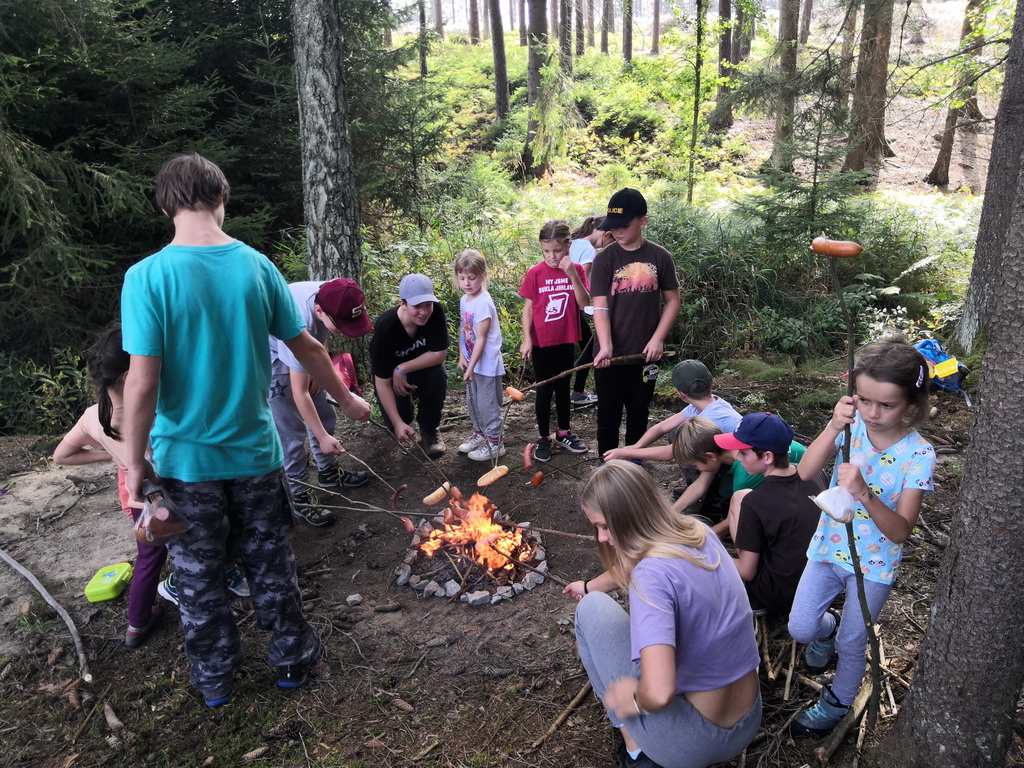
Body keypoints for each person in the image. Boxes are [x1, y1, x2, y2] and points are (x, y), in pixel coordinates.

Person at [120, 153, 371, 707]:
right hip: (256, 455)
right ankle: (291, 662)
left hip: (185, 463)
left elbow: (141, 382)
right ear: (221, 197)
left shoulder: (145, 278)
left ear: (165, 207)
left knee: (199, 577)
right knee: (270, 564)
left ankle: (215, 681)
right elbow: (308, 346)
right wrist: (347, 399)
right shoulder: (257, 267)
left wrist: (135, 463)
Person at [564, 461, 761, 768]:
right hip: (749, 719)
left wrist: (631, 699)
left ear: (627, 517)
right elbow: (639, 558)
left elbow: (658, 693)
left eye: (604, 526)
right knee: (595, 599)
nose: (601, 537)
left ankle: (635, 749)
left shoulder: (649, 578)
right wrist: (589, 586)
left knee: (590, 609)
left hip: (693, 744)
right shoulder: (699, 532)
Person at [788, 340, 935, 738]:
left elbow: (901, 531)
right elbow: (805, 472)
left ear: (911, 403)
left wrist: (864, 493)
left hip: (873, 565)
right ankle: (828, 626)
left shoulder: (918, 455)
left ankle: (837, 702)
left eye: (887, 405)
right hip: (828, 548)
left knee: (852, 644)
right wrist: (834, 425)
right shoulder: (851, 428)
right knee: (801, 627)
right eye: (864, 400)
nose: (872, 413)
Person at [268, 278, 373, 528]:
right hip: (270, 354)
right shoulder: (300, 318)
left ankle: (327, 470)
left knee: (323, 407)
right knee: (290, 429)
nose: (345, 331)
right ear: (319, 311)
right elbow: (299, 393)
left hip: (300, 347)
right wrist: (322, 437)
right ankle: (299, 493)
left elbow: (317, 338)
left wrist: (315, 369)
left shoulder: (336, 294)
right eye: (342, 325)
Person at [591, 189, 681, 457]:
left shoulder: (660, 257)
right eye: (612, 226)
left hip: (646, 355)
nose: (616, 231)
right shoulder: (604, 259)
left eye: (624, 225)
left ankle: (634, 461)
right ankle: (608, 464)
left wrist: (658, 339)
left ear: (643, 222)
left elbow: (673, 301)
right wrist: (606, 345)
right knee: (608, 414)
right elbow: (600, 306)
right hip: (609, 356)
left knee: (638, 411)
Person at [712, 413, 826, 616]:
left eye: (743, 453)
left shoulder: (756, 502)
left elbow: (746, 572)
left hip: (778, 595)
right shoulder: (817, 475)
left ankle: (756, 600)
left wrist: (709, 557)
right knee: (740, 496)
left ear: (767, 457)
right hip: (818, 587)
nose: (737, 458)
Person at [519, 220, 592, 462]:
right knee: (543, 390)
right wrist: (527, 339)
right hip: (541, 342)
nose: (551, 256)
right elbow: (528, 310)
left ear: (568, 246)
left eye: (557, 251)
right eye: (546, 251)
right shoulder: (535, 273)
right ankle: (543, 437)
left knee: (563, 388)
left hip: (565, 339)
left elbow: (584, 302)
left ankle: (563, 432)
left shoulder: (577, 270)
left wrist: (571, 274)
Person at [670, 415, 806, 526]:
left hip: (797, 488)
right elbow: (699, 485)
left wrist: (708, 536)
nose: (697, 470)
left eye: (695, 466)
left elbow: (734, 519)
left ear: (711, 456)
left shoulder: (745, 473)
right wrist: (670, 513)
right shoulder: (725, 443)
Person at [370, 273, 450, 458]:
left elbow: (439, 354)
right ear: (403, 303)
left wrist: (402, 368)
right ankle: (402, 414)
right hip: (390, 379)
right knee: (401, 419)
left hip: (422, 369)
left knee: (437, 375)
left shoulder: (435, 312)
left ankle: (429, 429)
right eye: (417, 306)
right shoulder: (386, 326)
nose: (424, 312)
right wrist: (398, 423)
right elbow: (382, 382)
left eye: (427, 305)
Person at [603, 359, 741, 465]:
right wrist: (635, 446)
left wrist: (627, 453)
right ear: (712, 383)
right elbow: (662, 427)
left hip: (742, 466)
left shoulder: (709, 420)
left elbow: (671, 452)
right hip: (733, 456)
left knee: (686, 440)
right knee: (676, 432)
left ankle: (710, 487)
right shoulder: (710, 402)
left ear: (681, 394)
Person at [454, 250, 507, 461]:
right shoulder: (465, 300)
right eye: (462, 278)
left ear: (483, 275)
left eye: (472, 277)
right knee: (473, 402)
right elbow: (463, 329)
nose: (467, 283)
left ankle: (495, 442)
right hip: (472, 363)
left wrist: (472, 365)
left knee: (488, 404)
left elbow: (481, 338)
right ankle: (480, 434)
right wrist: (462, 357)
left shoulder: (484, 302)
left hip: (486, 365)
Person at [568, 215, 610, 405]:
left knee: (571, 345)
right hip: (574, 304)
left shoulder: (574, 243)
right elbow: (580, 277)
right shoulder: (589, 250)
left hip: (563, 302)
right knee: (589, 345)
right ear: (605, 234)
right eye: (610, 239)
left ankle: (550, 384)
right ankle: (577, 391)